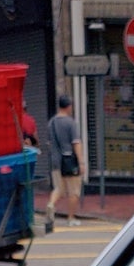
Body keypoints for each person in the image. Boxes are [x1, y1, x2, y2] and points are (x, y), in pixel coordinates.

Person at [47, 94, 84, 226]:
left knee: (59, 188)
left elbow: (50, 143)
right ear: (68, 106)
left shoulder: (51, 123)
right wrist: (81, 162)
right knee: (74, 191)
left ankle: (51, 204)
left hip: (56, 162)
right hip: (70, 162)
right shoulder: (70, 123)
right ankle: (71, 218)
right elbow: (76, 143)